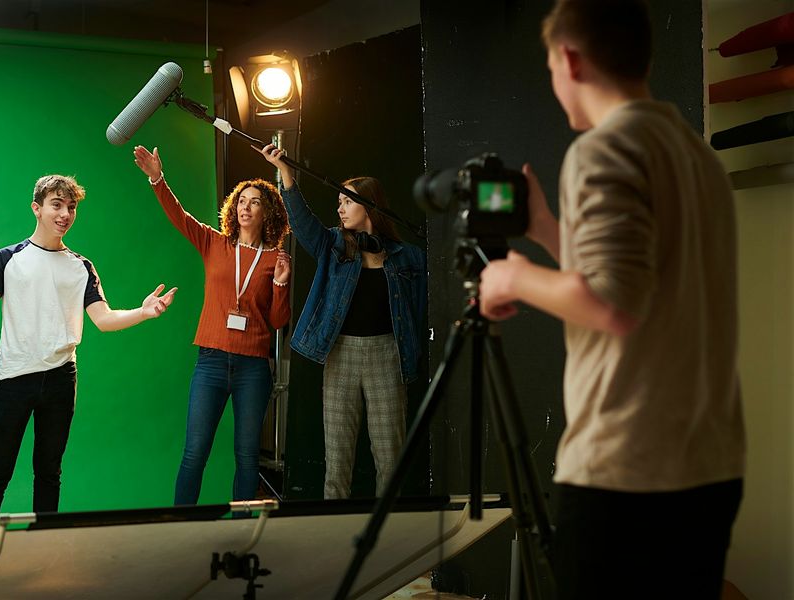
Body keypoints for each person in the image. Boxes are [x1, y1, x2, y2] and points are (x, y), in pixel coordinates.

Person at [476, 1, 745, 597]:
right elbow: (644, 281)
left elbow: (615, 304)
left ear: (571, 60)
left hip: (625, 473)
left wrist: (512, 279)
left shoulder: (603, 149)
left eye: (551, 67)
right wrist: (547, 229)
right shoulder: (696, 155)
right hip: (709, 466)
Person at [0, 174, 177, 515]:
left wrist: (143, 312)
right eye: (57, 205)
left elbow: (103, 318)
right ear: (36, 208)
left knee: (49, 472)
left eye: (71, 207)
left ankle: (44, 541)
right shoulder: (7, 258)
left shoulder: (82, 267)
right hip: (13, 377)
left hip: (61, 379)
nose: (65, 214)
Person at [258, 145, 426, 500]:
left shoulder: (407, 257)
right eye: (338, 202)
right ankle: (336, 527)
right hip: (340, 355)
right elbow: (303, 223)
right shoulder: (334, 245)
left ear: (370, 205)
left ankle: (388, 527)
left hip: (387, 356)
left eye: (347, 202)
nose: (340, 208)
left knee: (390, 459)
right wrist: (286, 173)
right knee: (337, 461)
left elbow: (423, 308)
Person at [132, 146, 292, 505]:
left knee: (247, 457)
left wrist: (281, 284)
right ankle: (182, 524)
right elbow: (180, 217)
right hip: (212, 362)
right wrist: (157, 179)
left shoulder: (275, 259)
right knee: (195, 453)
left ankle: (242, 527)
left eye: (254, 202)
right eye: (241, 201)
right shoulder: (214, 243)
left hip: (254, 367)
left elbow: (279, 322)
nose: (245, 207)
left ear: (267, 212)